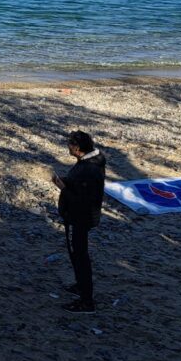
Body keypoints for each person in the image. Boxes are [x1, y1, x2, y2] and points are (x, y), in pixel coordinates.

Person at [52, 130, 106, 314]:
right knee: (78, 254)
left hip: (81, 217)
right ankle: (81, 287)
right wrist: (66, 181)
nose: (67, 146)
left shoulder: (89, 169)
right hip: (82, 216)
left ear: (77, 148)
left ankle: (86, 300)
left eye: (69, 144)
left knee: (80, 256)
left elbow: (82, 199)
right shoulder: (91, 163)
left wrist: (62, 188)